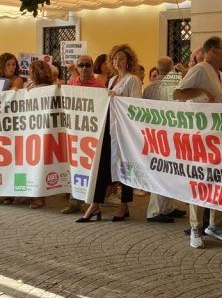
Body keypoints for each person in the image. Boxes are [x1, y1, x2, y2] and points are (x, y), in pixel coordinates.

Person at [173, 36, 222, 248]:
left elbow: (220, 101)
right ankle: (195, 227)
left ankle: (214, 224)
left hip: (219, 135)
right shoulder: (201, 68)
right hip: (200, 135)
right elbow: (177, 93)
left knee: (218, 180)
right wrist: (200, 91)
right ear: (213, 51)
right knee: (200, 181)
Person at [78, 45, 141, 223]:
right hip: (108, 128)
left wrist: (117, 98)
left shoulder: (133, 79)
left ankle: (124, 204)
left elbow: (135, 105)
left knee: (125, 166)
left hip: (124, 130)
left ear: (128, 60)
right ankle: (95, 203)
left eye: (121, 58)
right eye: (114, 59)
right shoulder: (112, 79)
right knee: (102, 167)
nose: (117, 62)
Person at [142, 56, 186, 223]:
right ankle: (154, 211)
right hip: (166, 133)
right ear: (171, 67)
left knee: (168, 171)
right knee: (161, 171)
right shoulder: (173, 85)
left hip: (154, 133)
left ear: (157, 68)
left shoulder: (149, 88)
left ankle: (167, 206)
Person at [62, 54, 106, 215]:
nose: (84, 68)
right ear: (77, 67)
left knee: (89, 168)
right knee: (74, 166)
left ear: (92, 67)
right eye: (81, 65)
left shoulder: (100, 87)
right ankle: (74, 202)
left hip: (90, 135)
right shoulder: (70, 84)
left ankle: (92, 203)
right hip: (74, 132)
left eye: (88, 65)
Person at [26, 60, 56, 209]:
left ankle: (38, 197)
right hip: (35, 131)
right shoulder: (32, 87)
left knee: (38, 164)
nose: (28, 73)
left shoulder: (44, 89)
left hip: (39, 131)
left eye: (31, 71)